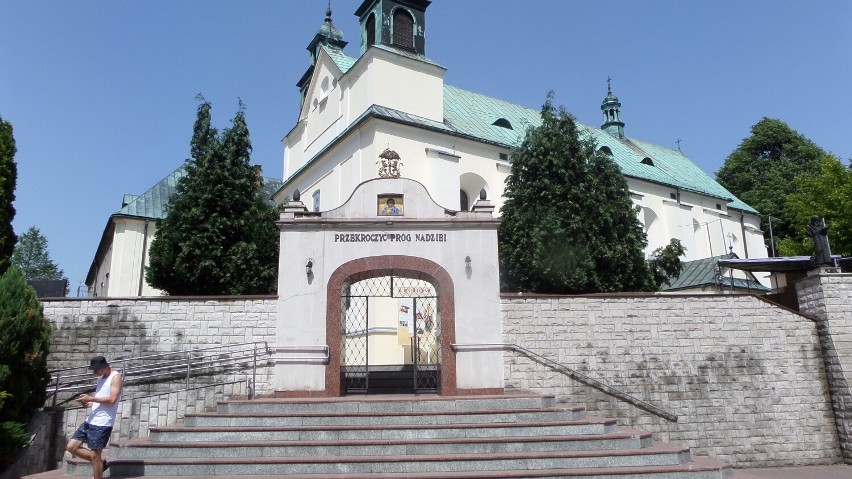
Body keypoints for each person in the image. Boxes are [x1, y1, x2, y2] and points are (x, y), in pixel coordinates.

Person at [66, 356, 122, 479]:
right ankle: (100, 464)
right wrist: (90, 402)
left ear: (103, 368)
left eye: (95, 370)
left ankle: (98, 472)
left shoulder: (116, 377)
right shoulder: (101, 379)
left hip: (103, 422)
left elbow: (112, 399)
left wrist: (91, 398)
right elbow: (101, 397)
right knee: (71, 447)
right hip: (91, 419)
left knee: (95, 455)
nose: (94, 372)